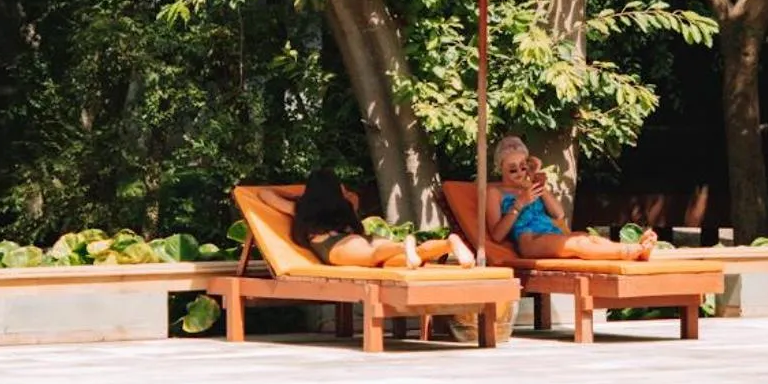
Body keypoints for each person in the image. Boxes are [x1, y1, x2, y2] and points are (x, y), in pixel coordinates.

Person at [486, 136, 656, 261]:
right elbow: (497, 235)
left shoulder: (529, 186)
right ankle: (631, 251)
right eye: (512, 170)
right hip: (530, 239)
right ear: (500, 168)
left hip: (552, 232)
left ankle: (639, 253)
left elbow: (559, 214)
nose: (520, 173)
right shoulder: (495, 192)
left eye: (523, 167)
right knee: (579, 243)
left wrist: (536, 183)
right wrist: (519, 204)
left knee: (590, 238)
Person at [265, 169, 475, 270]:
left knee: (374, 255)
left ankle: (404, 245)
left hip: (336, 246)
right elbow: (347, 194)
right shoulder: (347, 204)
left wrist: (297, 194)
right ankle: (449, 243)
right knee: (414, 257)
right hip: (360, 237)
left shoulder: (301, 209)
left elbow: (266, 195)